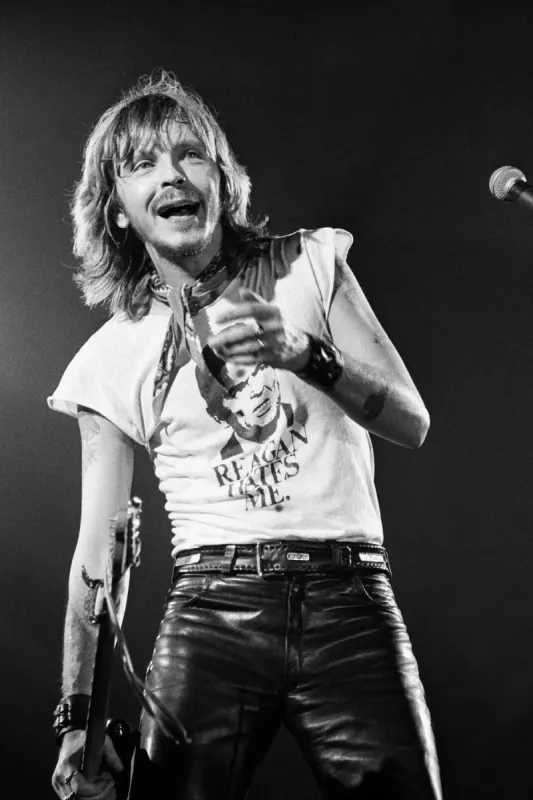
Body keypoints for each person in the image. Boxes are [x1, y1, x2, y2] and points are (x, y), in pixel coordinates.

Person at [49, 70, 442, 800]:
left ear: (222, 180)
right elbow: (98, 551)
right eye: (142, 165)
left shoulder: (309, 263)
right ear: (118, 212)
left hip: (349, 602)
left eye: (189, 155)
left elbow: (410, 422)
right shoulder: (112, 355)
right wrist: (77, 714)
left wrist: (305, 355)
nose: (171, 174)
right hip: (211, 612)